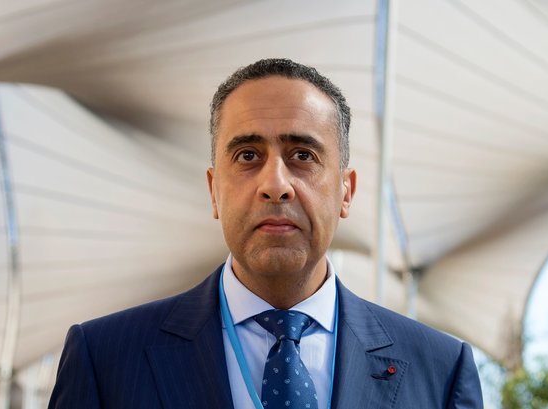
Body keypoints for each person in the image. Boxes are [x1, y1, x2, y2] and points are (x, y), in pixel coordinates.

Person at [48, 58, 483, 408]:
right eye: (248, 155)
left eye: (302, 155)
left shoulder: (440, 370)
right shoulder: (104, 359)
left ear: (346, 192)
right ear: (214, 191)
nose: (275, 184)